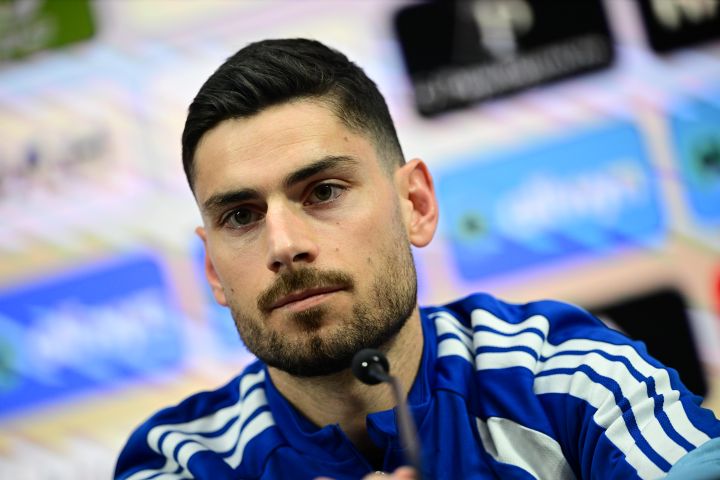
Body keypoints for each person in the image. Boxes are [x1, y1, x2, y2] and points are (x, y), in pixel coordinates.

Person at [114, 38, 720, 480]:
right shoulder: (181, 461)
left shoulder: (564, 374)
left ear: (416, 205)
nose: (283, 245)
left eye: (323, 192)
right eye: (241, 216)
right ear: (214, 271)